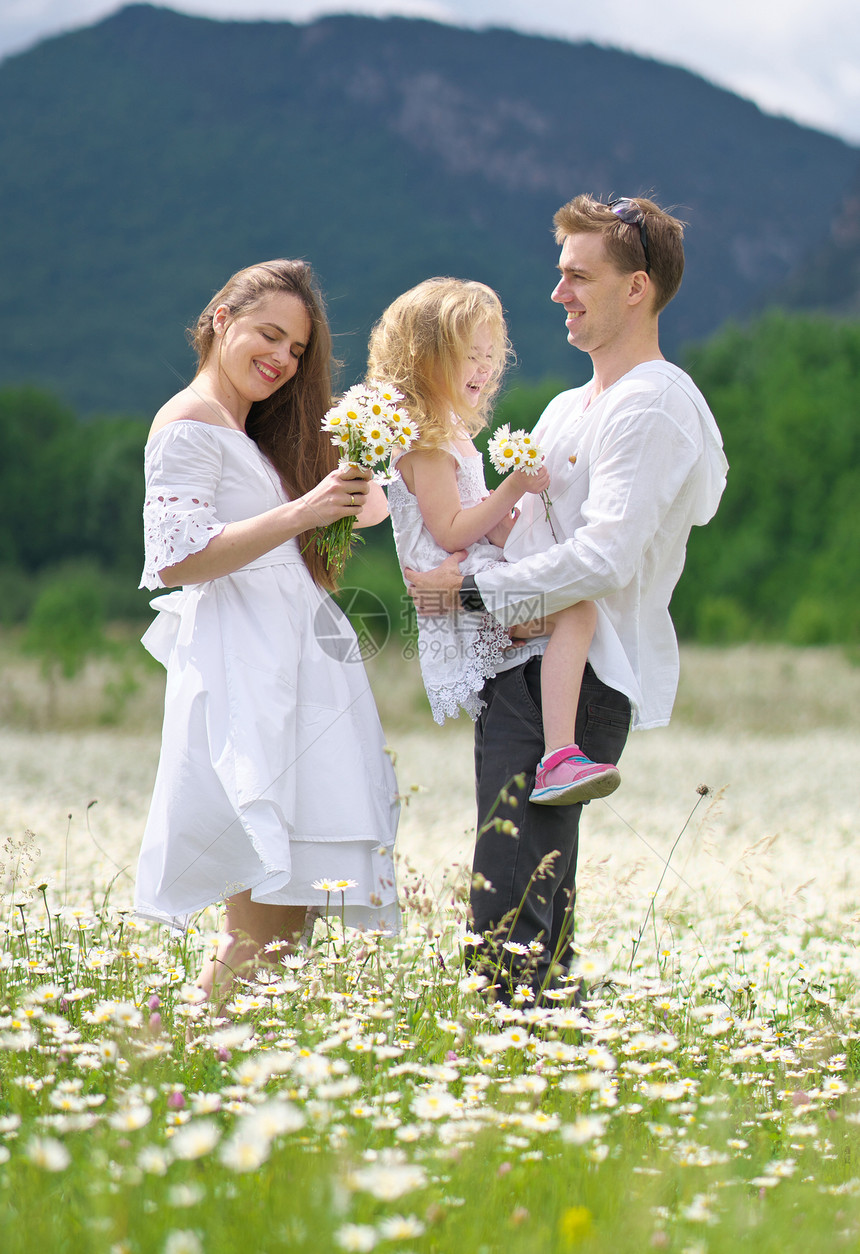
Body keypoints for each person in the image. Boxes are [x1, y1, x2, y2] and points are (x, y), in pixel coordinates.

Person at [404, 197, 728, 1003]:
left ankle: (505, 1064)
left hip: (579, 675)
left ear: (638, 288)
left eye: (579, 276)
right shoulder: (565, 407)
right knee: (528, 900)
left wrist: (471, 593)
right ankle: (540, 1070)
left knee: (511, 901)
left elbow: (606, 557)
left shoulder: (654, 404)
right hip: (527, 660)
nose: (559, 294)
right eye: (559, 275)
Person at [135, 258, 400, 1015]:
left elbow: (373, 508)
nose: (281, 360)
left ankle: (195, 1056)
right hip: (248, 670)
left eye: (296, 351)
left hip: (295, 668)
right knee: (263, 913)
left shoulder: (251, 434)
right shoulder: (187, 424)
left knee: (290, 919)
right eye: (269, 335)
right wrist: (302, 512)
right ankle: (168, 1056)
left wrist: (362, 444)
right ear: (222, 316)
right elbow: (179, 558)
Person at [369, 277, 621, 805]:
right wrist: (513, 489)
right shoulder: (425, 439)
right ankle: (559, 756)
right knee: (576, 614)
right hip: (457, 582)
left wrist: (517, 530)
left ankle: (558, 753)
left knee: (567, 614)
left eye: (490, 355)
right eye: (469, 356)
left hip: (467, 576)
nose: (484, 369)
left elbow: (474, 520)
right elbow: (451, 530)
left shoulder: (450, 433)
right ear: (425, 359)